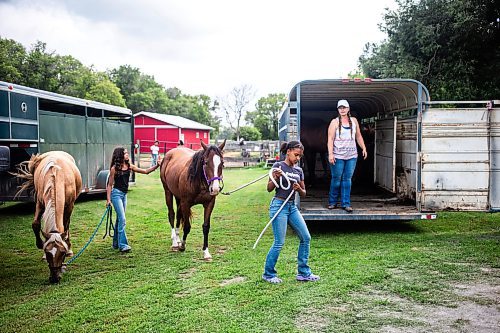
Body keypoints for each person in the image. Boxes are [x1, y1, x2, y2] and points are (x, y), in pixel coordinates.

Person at [262, 141, 320, 284]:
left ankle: (304, 273)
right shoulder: (278, 166)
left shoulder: (298, 171)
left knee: (306, 238)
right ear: (288, 152)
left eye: (300, 156)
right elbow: (269, 188)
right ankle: (268, 274)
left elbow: (304, 193)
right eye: (296, 155)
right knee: (279, 242)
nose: (298, 158)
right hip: (279, 205)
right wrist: (276, 177)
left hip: (292, 206)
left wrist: (299, 189)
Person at [106, 147, 161, 252]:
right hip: (116, 195)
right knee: (122, 219)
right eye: (125, 153)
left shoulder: (129, 166)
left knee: (119, 219)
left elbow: (145, 171)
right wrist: (108, 200)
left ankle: (116, 243)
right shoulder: (114, 169)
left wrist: (157, 166)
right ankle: (123, 245)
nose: (127, 154)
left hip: (124, 195)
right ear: (120, 155)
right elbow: (109, 185)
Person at [327, 99, 367, 212]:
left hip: (352, 156)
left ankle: (346, 203)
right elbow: (330, 139)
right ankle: (332, 202)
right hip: (338, 155)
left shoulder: (354, 121)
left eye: (344, 107)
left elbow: (358, 136)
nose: (342, 109)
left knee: (347, 179)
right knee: (336, 179)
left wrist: (363, 148)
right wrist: (331, 154)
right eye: (340, 107)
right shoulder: (334, 122)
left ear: (348, 109)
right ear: (338, 109)